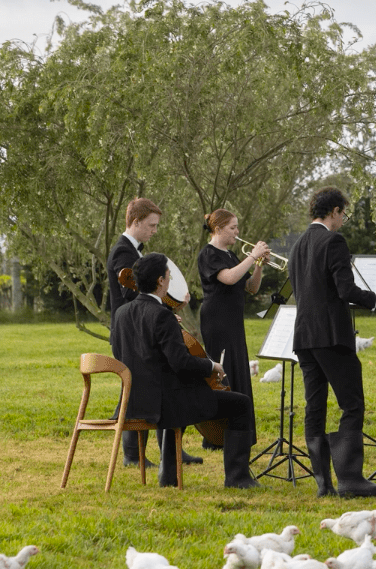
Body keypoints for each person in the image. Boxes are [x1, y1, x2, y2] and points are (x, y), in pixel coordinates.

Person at [110, 253, 259, 489]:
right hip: (165, 404)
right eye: (168, 276)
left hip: (133, 401)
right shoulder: (162, 315)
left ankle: (168, 475)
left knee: (176, 396)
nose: (169, 280)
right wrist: (212, 366)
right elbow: (180, 363)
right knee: (240, 404)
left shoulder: (120, 314)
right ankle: (238, 477)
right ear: (160, 281)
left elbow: (120, 355)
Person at [290, 187, 376, 499]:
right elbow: (346, 290)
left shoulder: (298, 245)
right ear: (334, 211)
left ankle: (324, 484)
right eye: (342, 214)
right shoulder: (332, 240)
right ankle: (350, 479)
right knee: (351, 403)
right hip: (332, 336)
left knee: (315, 406)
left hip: (304, 336)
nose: (342, 220)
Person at [106, 198, 203, 469]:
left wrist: (168, 305)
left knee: (159, 384)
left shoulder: (133, 251)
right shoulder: (123, 252)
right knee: (137, 388)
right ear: (135, 222)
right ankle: (133, 454)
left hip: (140, 329)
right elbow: (132, 294)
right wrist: (160, 314)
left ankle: (170, 451)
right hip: (133, 332)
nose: (155, 231)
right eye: (151, 225)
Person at [197, 209, 269, 450]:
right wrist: (252, 257)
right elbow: (227, 278)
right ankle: (217, 437)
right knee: (223, 373)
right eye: (233, 228)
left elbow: (251, 287)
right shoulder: (209, 254)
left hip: (233, 322)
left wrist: (258, 265)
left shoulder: (232, 255)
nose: (237, 233)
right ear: (218, 229)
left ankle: (239, 434)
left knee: (238, 370)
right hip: (216, 321)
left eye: (237, 228)